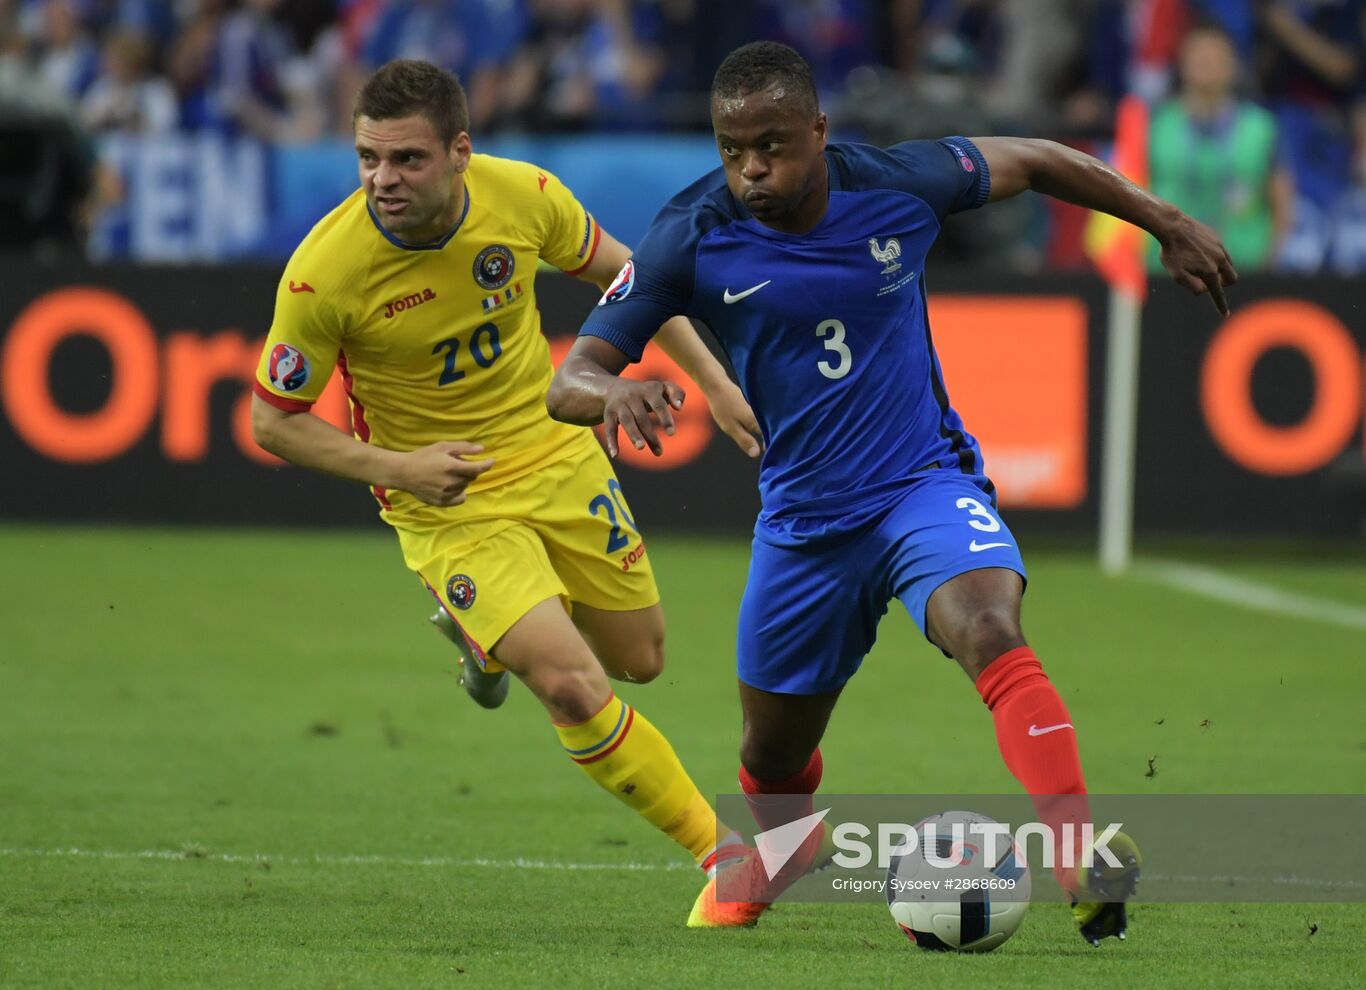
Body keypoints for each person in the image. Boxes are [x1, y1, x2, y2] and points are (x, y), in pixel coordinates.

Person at [547, 40, 1236, 943]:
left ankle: (1079, 855)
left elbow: (1034, 158)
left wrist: (1163, 219)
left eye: (773, 145)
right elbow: (571, 380)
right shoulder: (693, 231)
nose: (752, 168)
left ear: (819, 132)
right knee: (770, 752)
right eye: (732, 149)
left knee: (988, 627)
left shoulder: (899, 181)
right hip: (802, 527)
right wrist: (618, 388)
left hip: (920, 485)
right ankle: (788, 849)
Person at [251, 59, 761, 886]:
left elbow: (631, 279)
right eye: (368, 158)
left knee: (641, 661)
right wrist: (400, 468)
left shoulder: (522, 195)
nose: (384, 179)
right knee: (570, 683)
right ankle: (727, 854)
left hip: (554, 448)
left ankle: (486, 639)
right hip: (447, 498)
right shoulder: (325, 272)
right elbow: (271, 421)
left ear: (459, 151)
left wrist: (716, 383)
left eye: (407, 159)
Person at [1147, 23, 1291, 272]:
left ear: (1233, 66)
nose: (1205, 63)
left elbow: (1282, 201)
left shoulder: (1261, 128)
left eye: (1214, 57)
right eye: (1198, 56)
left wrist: (1270, 263)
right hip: (1166, 270)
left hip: (1242, 269)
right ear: (1182, 65)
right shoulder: (1154, 125)